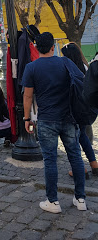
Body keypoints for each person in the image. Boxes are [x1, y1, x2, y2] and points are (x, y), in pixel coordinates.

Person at [22, 32, 87, 213]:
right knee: (75, 157)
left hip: (47, 120)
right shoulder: (65, 62)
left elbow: (27, 95)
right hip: (68, 117)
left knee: (50, 160)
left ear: (36, 48)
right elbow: (81, 81)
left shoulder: (31, 67)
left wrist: (27, 118)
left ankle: (53, 201)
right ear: (53, 47)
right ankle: (80, 199)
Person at [61, 43, 98, 177]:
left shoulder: (67, 70)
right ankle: (94, 164)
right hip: (86, 109)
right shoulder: (85, 67)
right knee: (83, 136)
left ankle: (80, 169)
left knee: (72, 139)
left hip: (72, 110)